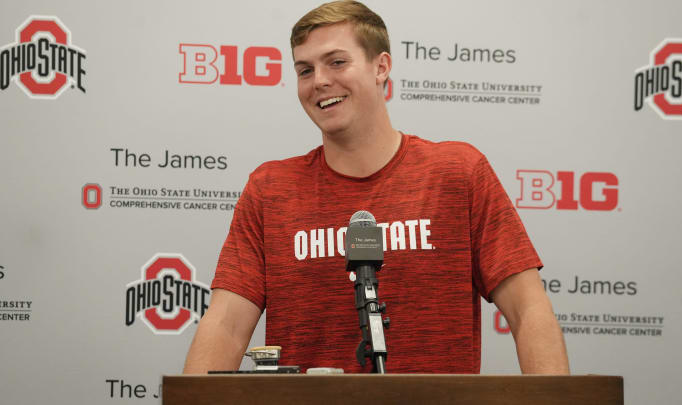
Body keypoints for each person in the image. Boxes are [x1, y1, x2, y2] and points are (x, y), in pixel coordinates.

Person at [183, 0, 569, 374]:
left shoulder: (458, 172)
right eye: (304, 70)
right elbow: (227, 326)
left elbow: (528, 309)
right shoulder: (270, 189)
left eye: (336, 62)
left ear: (381, 66)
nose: (319, 81)